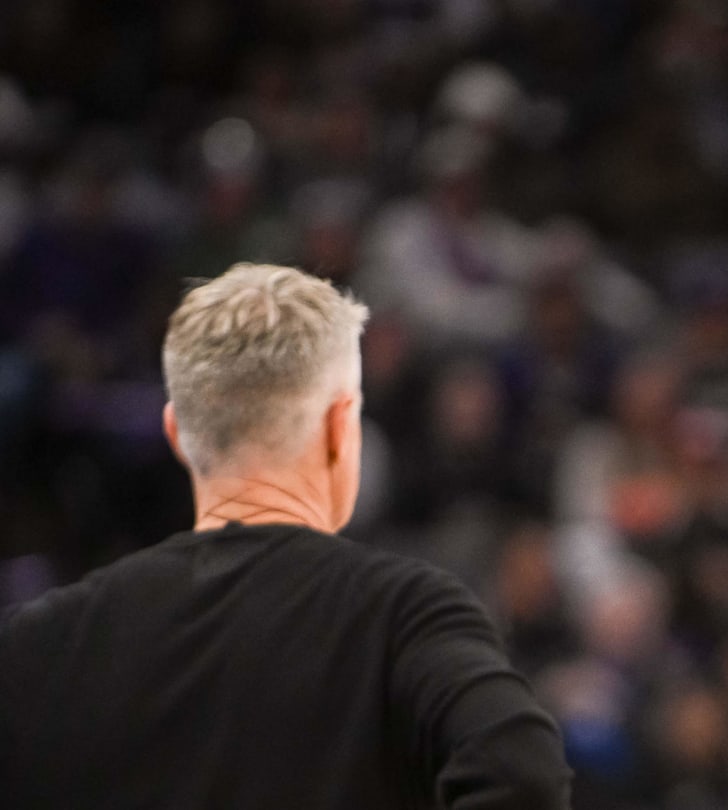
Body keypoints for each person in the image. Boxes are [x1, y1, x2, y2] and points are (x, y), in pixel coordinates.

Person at [0, 263, 572, 809]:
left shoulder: (44, 640)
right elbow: (522, 774)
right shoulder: (406, 616)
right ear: (339, 426)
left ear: (177, 435)